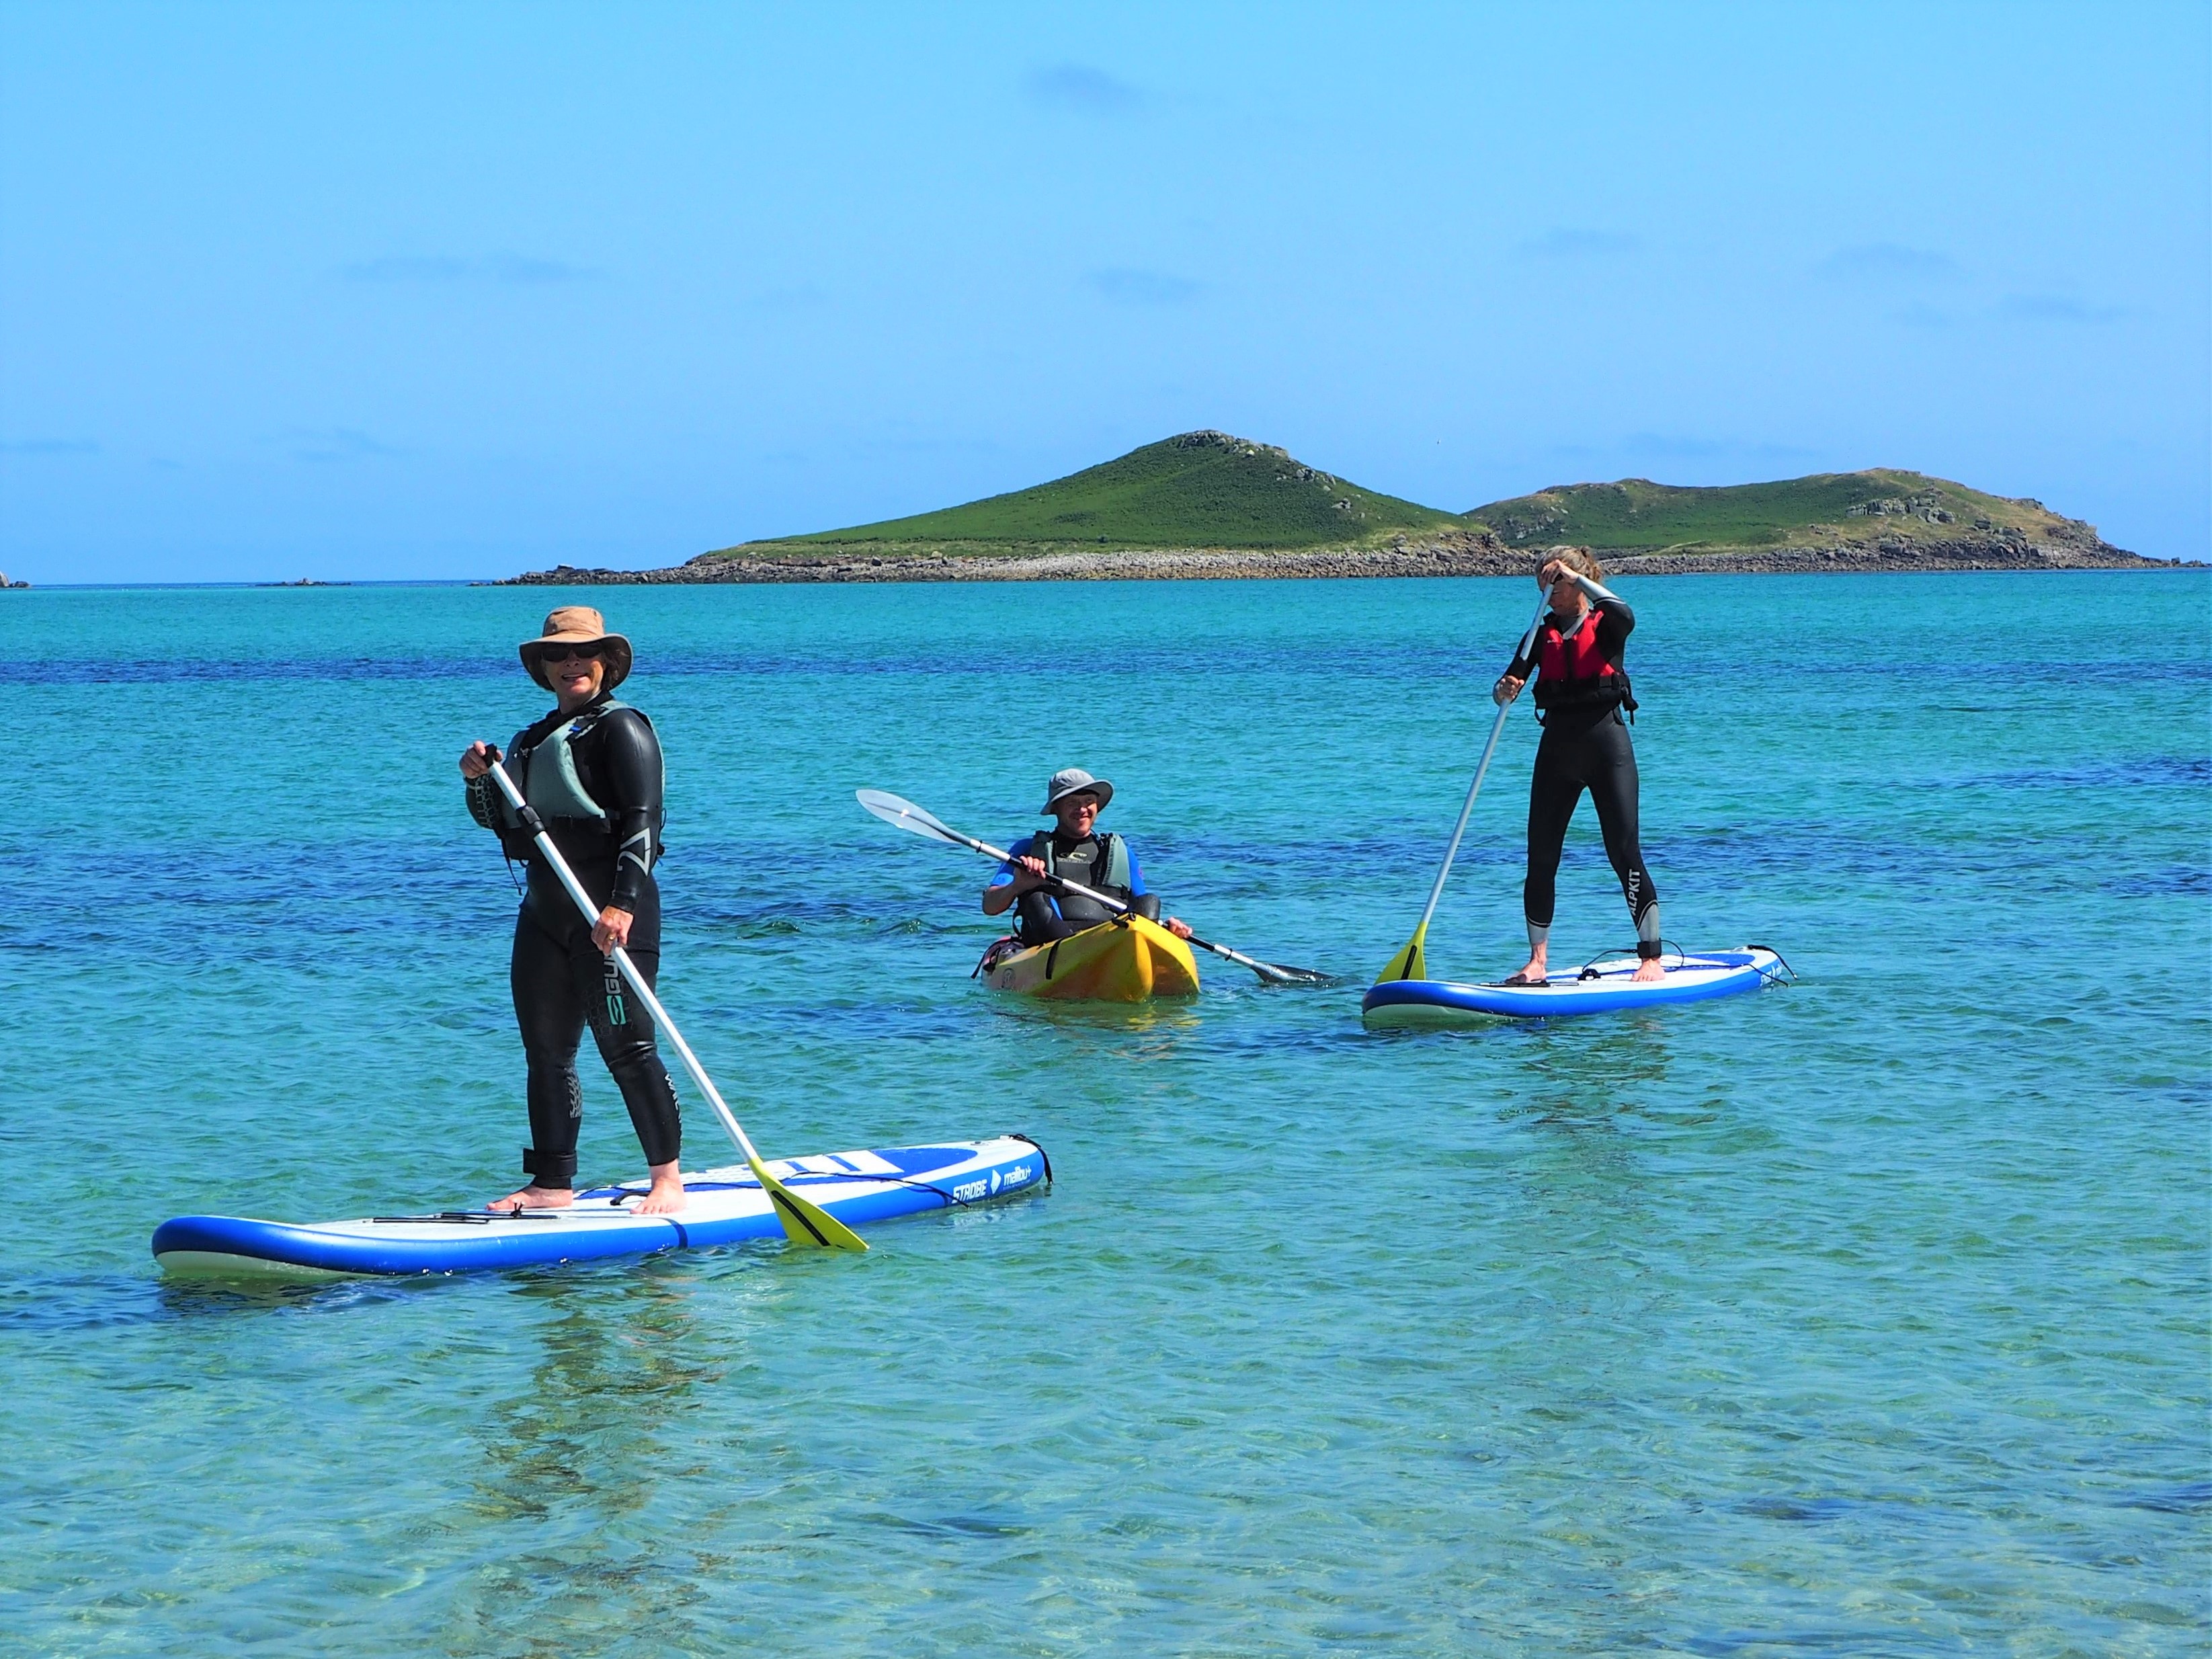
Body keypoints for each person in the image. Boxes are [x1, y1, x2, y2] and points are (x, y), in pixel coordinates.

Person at [458, 607, 686, 1214]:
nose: (570, 664)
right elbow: (495, 820)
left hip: (609, 912)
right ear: (544, 668)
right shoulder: (532, 739)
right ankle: (550, 1183)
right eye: (557, 656)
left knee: (628, 1048)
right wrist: (478, 778)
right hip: (544, 912)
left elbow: (645, 822)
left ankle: (667, 1180)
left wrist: (621, 905)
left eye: (583, 654)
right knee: (546, 1052)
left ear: (606, 663)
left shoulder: (623, 729)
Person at [1493, 549, 1666, 985]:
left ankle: (1650, 957)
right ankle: (1536, 962)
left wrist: (1573, 575)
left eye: (1553, 581)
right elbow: (1508, 682)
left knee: (1623, 852)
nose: (1545, 589)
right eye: (1541, 580)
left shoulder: (1606, 625)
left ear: (1577, 580)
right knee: (1541, 856)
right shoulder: (1539, 632)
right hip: (1556, 749)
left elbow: (1624, 613)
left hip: (1607, 746)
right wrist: (1503, 691)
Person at [981, 768, 1194, 946]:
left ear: (1097, 807)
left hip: (1110, 942)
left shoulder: (1121, 854)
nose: (1082, 809)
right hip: (1055, 945)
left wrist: (1166, 929)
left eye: (1088, 801)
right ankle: (1072, 959)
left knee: (1150, 902)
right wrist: (1018, 886)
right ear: (1056, 808)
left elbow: (1141, 910)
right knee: (1035, 901)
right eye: (1072, 802)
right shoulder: (1026, 849)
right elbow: (990, 907)